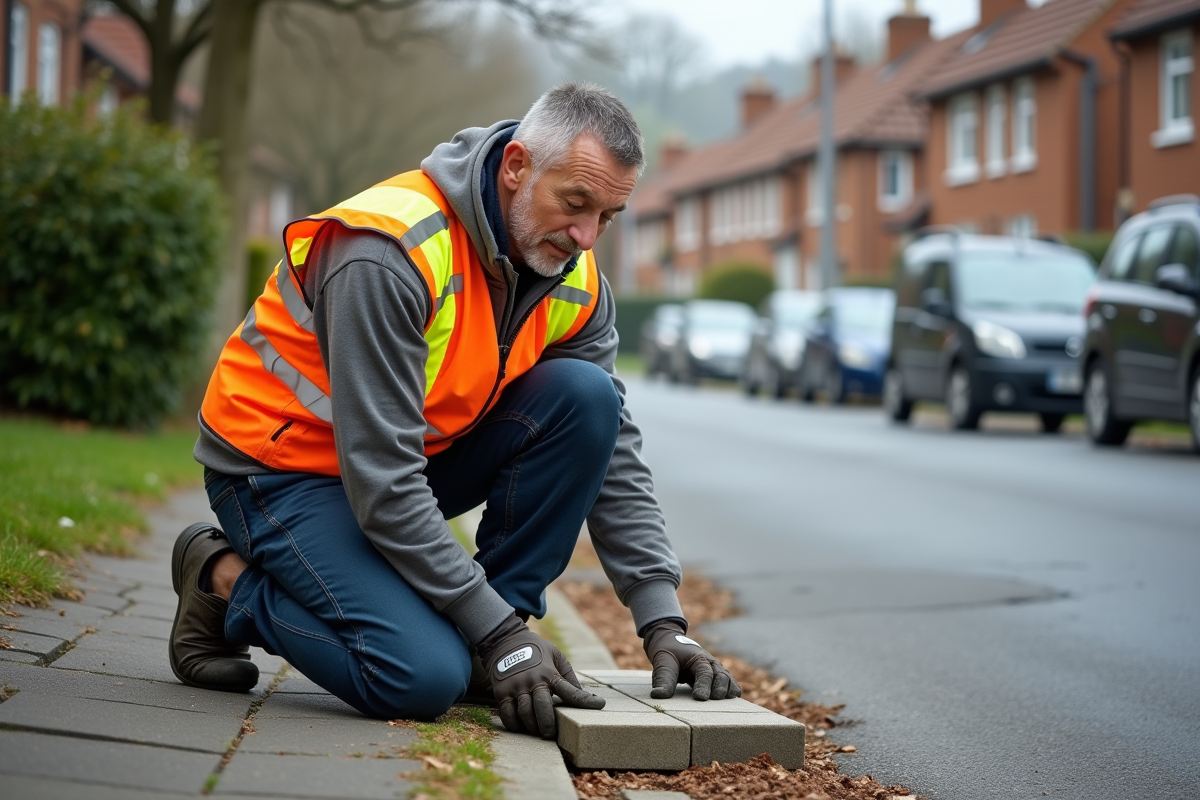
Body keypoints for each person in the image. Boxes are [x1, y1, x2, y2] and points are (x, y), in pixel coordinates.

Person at [171, 83, 740, 739]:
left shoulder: (576, 280)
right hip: (278, 472)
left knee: (587, 398)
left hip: (407, 466)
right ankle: (220, 578)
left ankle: (492, 647)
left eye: (608, 217)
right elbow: (381, 481)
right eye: (576, 203)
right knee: (418, 678)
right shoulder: (388, 252)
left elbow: (611, 453)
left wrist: (663, 624)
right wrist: (489, 625)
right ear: (517, 166)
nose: (587, 237)